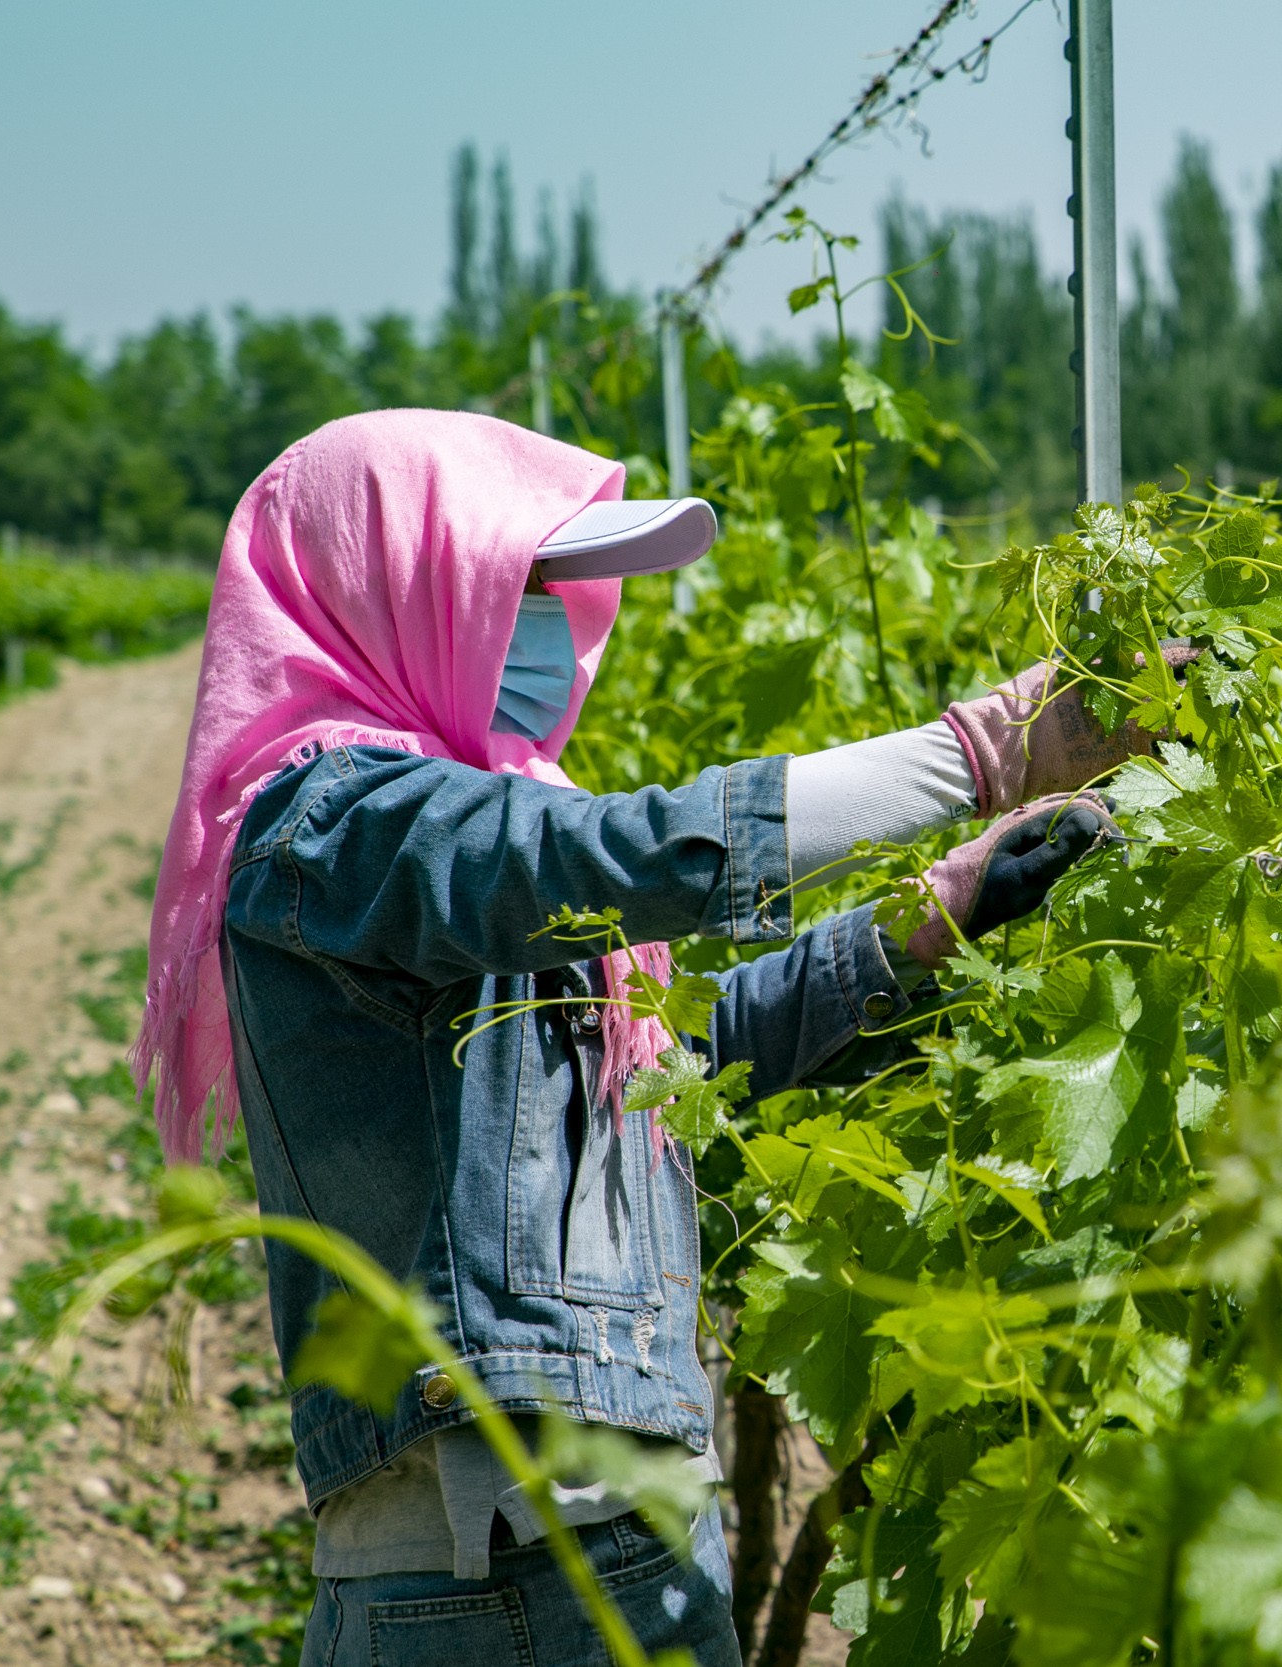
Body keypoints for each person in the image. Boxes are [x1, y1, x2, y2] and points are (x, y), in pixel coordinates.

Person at [132, 410, 1145, 1666]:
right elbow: (604, 856)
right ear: (397, 581)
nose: (555, 632)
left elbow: (666, 1080)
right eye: (526, 586)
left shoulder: (476, 828)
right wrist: (978, 754)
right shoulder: (332, 827)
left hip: (600, 1538)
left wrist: (919, 923)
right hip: (501, 1568)